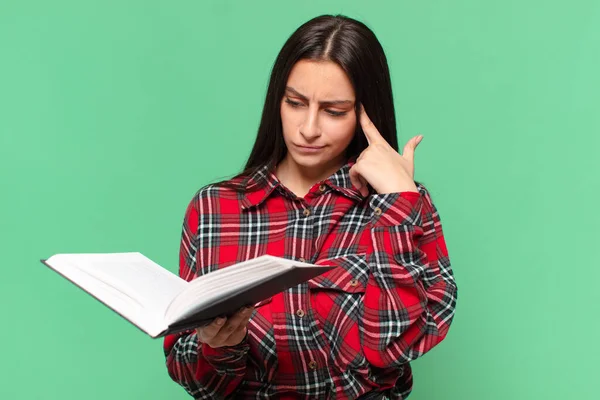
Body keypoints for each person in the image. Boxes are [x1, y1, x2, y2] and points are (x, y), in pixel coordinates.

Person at [163, 14, 457, 400]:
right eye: (295, 103)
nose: (309, 128)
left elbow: (396, 348)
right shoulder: (216, 209)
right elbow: (195, 378)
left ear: (364, 113)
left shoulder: (402, 205)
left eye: (333, 111)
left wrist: (397, 203)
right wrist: (219, 348)